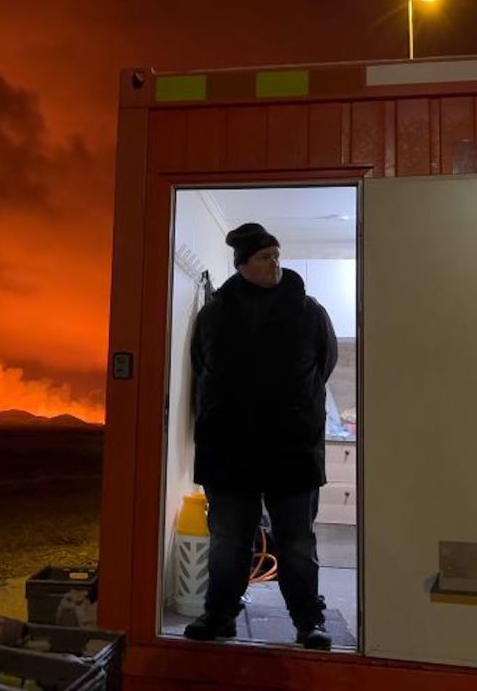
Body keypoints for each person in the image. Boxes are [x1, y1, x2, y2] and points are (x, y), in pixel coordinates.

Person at [184, 222, 338, 650]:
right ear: (242, 265)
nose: (275, 263)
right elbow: (202, 370)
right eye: (265, 257)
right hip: (229, 451)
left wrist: (295, 412)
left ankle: (309, 622)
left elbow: (323, 366)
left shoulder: (309, 311)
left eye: (276, 255)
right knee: (229, 543)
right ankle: (219, 616)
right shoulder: (214, 314)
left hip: (292, 450)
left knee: (296, 545)